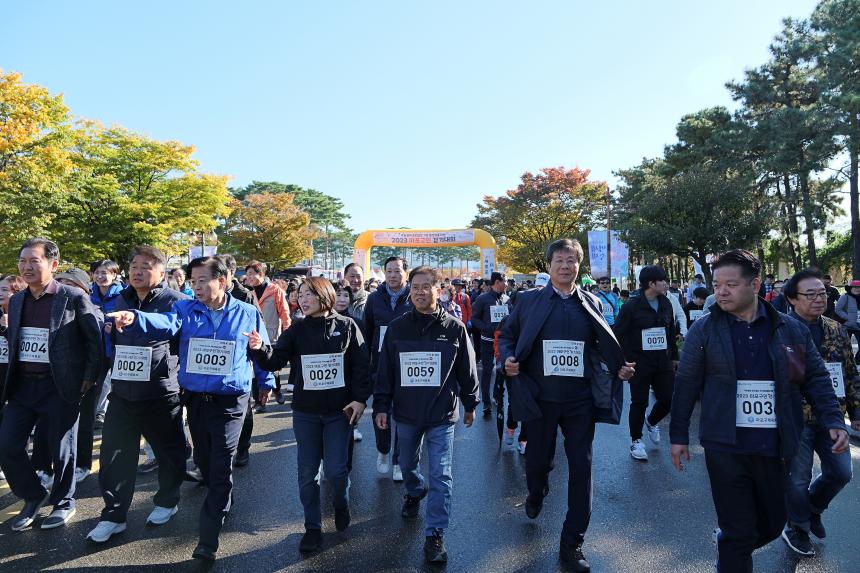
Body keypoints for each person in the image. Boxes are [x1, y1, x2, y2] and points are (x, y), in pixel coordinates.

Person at [670, 249, 849, 573]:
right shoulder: (706, 330)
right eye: (716, 284)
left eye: (730, 284)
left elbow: (817, 377)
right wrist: (679, 435)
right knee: (739, 529)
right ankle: (733, 554)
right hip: (725, 445)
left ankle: (730, 551)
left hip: (777, 445)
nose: (721, 291)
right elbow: (685, 383)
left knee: (773, 521)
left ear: (754, 285)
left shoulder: (789, 329)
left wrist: (834, 419)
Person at [107, 256, 275, 562]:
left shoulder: (247, 312)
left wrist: (267, 381)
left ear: (222, 281)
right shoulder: (185, 308)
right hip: (196, 398)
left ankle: (208, 538)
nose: (195, 286)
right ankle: (223, 494)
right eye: (193, 281)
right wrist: (136, 318)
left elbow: (260, 348)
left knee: (222, 461)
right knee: (205, 462)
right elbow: (166, 323)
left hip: (231, 400)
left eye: (201, 281)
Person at [499, 239, 635, 572]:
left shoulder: (591, 303)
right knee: (536, 464)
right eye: (559, 260)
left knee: (582, 468)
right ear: (548, 266)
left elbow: (604, 345)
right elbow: (506, 336)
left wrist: (620, 366)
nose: (565, 266)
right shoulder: (528, 301)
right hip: (541, 398)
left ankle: (572, 543)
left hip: (579, 401)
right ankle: (536, 492)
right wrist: (508, 360)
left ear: (579, 266)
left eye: (571, 261)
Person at [248, 277, 370, 553]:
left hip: (340, 412)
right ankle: (312, 528)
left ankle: (341, 504)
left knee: (338, 472)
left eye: (309, 295)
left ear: (324, 296)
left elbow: (362, 366)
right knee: (307, 475)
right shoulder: (297, 330)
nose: (302, 300)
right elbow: (275, 360)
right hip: (306, 412)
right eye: (300, 295)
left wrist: (360, 400)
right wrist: (259, 349)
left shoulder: (348, 326)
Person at [85, 245, 191, 543]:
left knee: (169, 453)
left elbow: (171, 326)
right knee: (114, 456)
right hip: (122, 392)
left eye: (145, 265)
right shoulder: (119, 299)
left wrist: (136, 318)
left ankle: (167, 501)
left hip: (160, 392)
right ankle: (114, 515)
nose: (137, 270)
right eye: (133, 265)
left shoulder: (176, 301)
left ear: (161, 272)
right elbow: (107, 343)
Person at [374, 266, 479, 564]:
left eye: (426, 287)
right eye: (415, 287)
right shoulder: (397, 328)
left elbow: (467, 371)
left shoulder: (455, 328)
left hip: (441, 415)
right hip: (406, 413)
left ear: (439, 290)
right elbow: (386, 371)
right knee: (407, 465)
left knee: (442, 475)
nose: (420, 292)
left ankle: (435, 534)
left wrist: (471, 403)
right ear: (410, 291)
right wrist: (381, 405)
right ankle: (415, 490)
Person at [0, 238, 102, 531]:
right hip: (22, 387)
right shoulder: (17, 299)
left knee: (62, 449)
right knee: (6, 444)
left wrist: (86, 381)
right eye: (23, 261)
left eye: (34, 261)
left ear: (53, 265)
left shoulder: (73, 297)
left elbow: (93, 342)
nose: (27, 267)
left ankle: (64, 502)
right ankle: (32, 495)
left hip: (60, 385)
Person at [780, 268, 860, 556]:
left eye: (822, 293)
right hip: (795, 417)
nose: (818, 299)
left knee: (841, 473)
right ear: (792, 299)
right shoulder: (780, 331)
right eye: (810, 294)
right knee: (798, 477)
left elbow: (849, 373)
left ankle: (812, 508)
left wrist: (856, 411)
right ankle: (797, 528)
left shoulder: (837, 329)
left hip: (831, 415)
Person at [613, 265, 678, 461]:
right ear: (651, 283)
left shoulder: (666, 302)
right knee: (639, 401)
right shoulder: (630, 307)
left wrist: (674, 356)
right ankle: (636, 441)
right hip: (639, 362)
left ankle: (652, 421)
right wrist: (625, 360)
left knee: (668, 398)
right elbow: (619, 334)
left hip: (663, 361)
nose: (666, 283)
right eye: (663, 280)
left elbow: (670, 330)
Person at [363, 256, 413, 479]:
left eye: (397, 271)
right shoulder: (374, 299)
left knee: (404, 414)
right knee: (381, 409)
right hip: (380, 364)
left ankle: (398, 460)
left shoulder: (415, 297)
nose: (393, 275)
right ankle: (383, 450)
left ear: (406, 273)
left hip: (407, 364)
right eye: (389, 271)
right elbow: (367, 332)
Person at [54, 268, 103, 484]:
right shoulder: (53, 310)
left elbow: (96, 346)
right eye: (62, 282)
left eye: (71, 283)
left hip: (87, 377)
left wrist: (90, 376)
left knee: (84, 422)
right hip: (60, 377)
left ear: (83, 289)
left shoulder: (93, 310)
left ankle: (82, 463)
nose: (65, 287)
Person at [244, 260, 291, 409]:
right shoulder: (246, 292)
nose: (249, 277)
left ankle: (276, 390)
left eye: (252, 274)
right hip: (253, 335)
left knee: (272, 367)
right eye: (248, 274)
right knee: (256, 367)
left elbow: (284, 312)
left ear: (261, 274)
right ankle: (259, 402)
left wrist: (287, 332)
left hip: (271, 336)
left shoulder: (274, 290)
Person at [472, 272, 510, 416]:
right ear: (497, 282)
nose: (506, 284)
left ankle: (496, 395)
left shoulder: (507, 299)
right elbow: (474, 318)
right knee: (487, 371)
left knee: (501, 371)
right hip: (487, 341)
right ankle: (486, 402)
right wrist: (487, 329)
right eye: (504, 281)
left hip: (504, 342)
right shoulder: (483, 299)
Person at [834, 279, 860, 362]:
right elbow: (838, 309)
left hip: (859, 326)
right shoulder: (845, 297)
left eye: (859, 287)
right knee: (844, 345)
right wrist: (848, 317)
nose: (857, 289)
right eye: (854, 287)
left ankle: (858, 361)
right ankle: (847, 362)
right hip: (847, 325)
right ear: (850, 288)